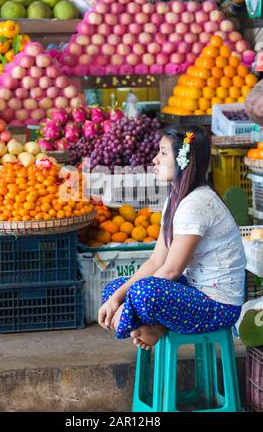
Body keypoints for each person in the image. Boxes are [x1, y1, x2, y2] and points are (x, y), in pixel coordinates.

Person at [98, 125, 246, 351]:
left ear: (183, 160)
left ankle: (155, 326)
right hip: (193, 291)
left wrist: (125, 307)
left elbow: (171, 271)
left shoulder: (196, 203)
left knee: (142, 292)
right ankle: (157, 326)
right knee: (114, 289)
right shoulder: (176, 199)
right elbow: (156, 262)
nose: (155, 160)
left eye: (163, 153)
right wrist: (117, 299)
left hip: (218, 305)